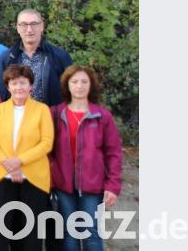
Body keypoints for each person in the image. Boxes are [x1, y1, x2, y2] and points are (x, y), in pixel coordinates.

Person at [51, 66, 122, 251]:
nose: (79, 86)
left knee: (91, 232)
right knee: (70, 233)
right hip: (63, 185)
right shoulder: (56, 114)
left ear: (91, 86)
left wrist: (113, 186)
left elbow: (114, 153)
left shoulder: (102, 116)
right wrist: (51, 175)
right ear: (67, 85)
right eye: (74, 82)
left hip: (93, 187)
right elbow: (47, 149)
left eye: (84, 82)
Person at [0, 64, 54, 250]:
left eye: (23, 83)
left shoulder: (42, 110)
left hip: (33, 177)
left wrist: (19, 162)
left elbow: (46, 143)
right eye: (14, 83)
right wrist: (9, 164)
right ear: (8, 86)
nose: (18, 88)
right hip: (3, 176)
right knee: (2, 229)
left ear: (31, 85)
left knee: (29, 231)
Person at [0, 9, 73, 106]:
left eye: (34, 24)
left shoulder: (60, 56)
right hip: (19, 117)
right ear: (17, 28)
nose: (29, 29)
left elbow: (71, 90)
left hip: (51, 117)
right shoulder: (7, 57)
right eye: (24, 24)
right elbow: (4, 93)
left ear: (42, 26)